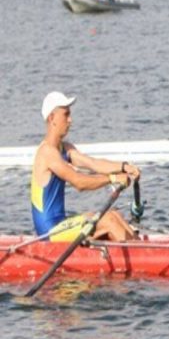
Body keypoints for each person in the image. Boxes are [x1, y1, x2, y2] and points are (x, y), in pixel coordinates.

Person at [31, 92, 138, 242]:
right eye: (66, 115)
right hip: (49, 232)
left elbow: (93, 163)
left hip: (62, 224)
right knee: (108, 220)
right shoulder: (47, 152)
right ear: (52, 118)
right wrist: (112, 178)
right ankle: (146, 259)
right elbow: (79, 182)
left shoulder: (65, 148)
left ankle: (142, 251)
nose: (70, 120)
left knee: (114, 215)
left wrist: (124, 167)